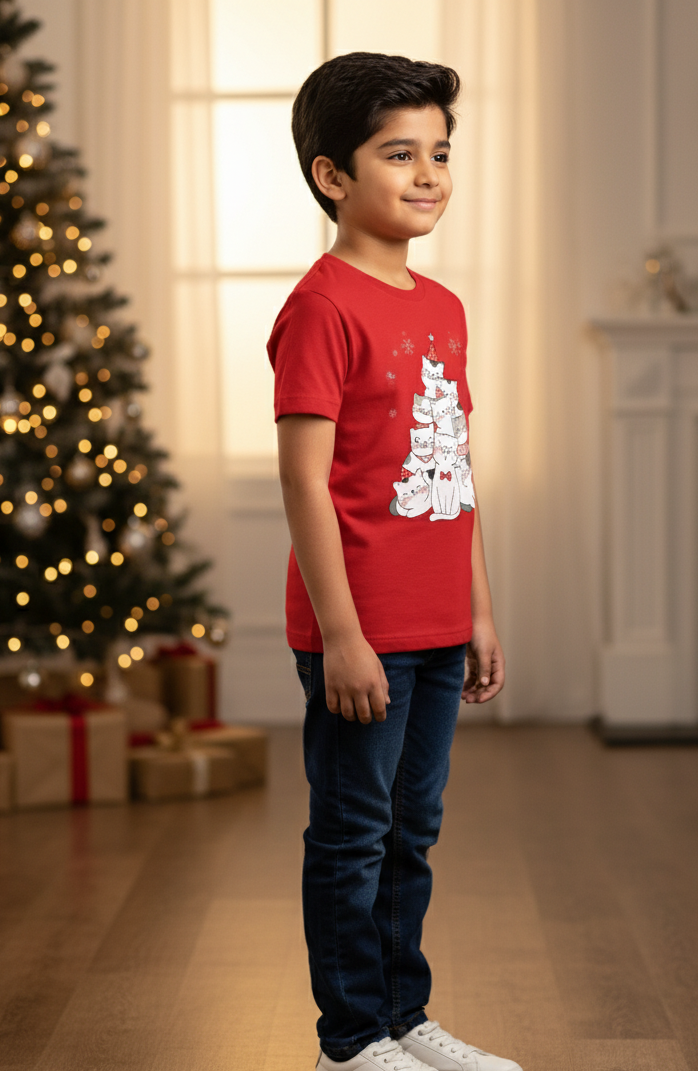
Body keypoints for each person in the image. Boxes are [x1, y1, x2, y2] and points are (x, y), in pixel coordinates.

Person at [268, 52, 519, 1071]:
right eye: (398, 154)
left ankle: (404, 1018)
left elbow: (450, 472)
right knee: (352, 836)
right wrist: (340, 635)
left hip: (434, 625)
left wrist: (480, 612)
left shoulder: (443, 308)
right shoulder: (321, 307)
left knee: (411, 834)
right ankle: (350, 1037)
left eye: (440, 154)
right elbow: (304, 482)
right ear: (334, 175)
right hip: (359, 635)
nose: (427, 175)